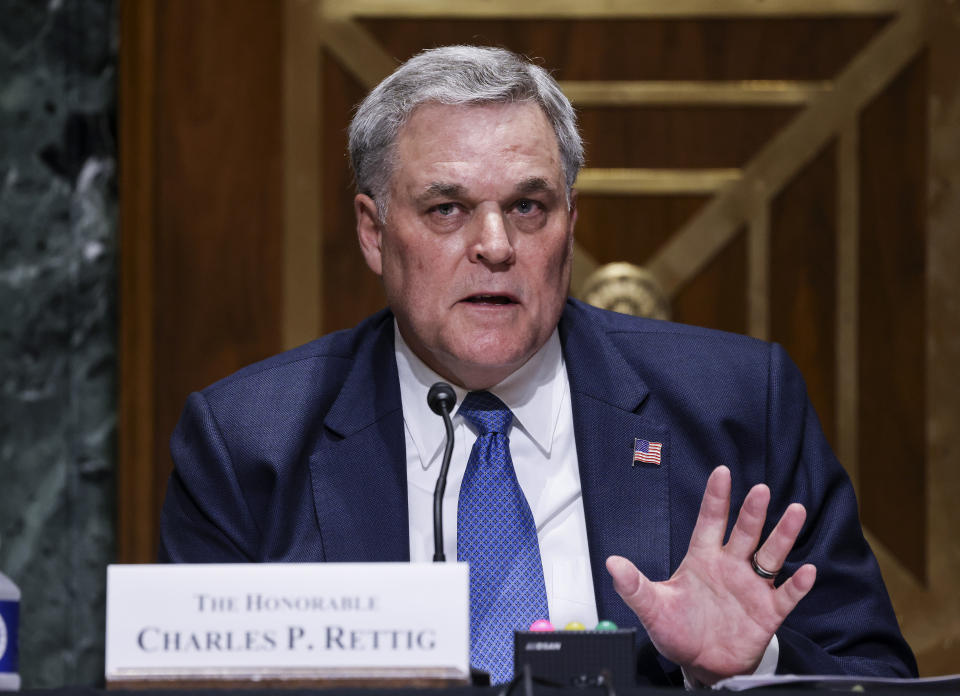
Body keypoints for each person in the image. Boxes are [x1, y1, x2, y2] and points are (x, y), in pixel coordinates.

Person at [159, 45, 917, 686]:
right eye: (447, 209)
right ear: (373, 231)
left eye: (528, 207)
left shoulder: (738, 404)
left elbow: (878, 676)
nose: (495, 245)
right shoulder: (248, 442)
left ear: (569, 223)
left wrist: (751, 665)